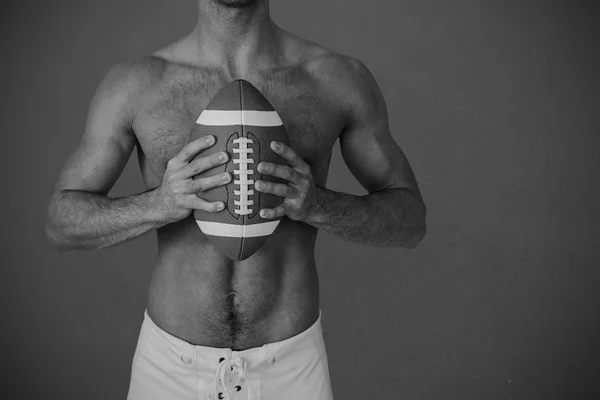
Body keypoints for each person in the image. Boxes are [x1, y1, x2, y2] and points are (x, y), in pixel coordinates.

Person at [45, 0, 427, 399]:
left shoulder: (336, 79)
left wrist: (318, 206)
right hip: (169, 371)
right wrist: (160, 203)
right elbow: (62, 224)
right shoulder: (137, 84)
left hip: (291, 371)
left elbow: (411, 221)